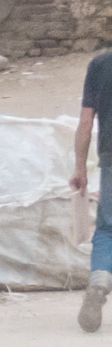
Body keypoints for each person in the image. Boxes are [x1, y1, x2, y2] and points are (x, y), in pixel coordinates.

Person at [74, 45, 112, 332]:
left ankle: (99, 280)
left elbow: (86, 121)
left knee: (107, 229)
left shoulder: (99, 65)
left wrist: (80, 167)